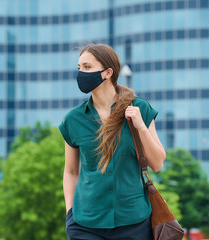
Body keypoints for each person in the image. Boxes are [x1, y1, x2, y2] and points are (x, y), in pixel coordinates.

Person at [59, 43, 166, 240]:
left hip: (134, 222)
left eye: (87, 67)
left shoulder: (139, 108)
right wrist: (70, 212)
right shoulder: (73, 119)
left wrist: (141, 127)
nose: (81, 73)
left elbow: (158, 163)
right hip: (85, 225)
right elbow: (71, 171)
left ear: (108, 72)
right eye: (79, 67)